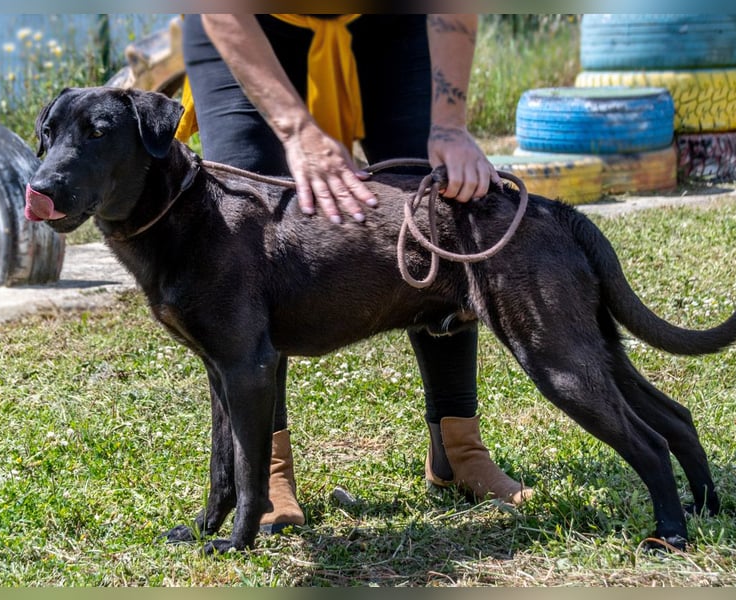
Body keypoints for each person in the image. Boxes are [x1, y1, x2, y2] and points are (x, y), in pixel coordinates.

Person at [180, 13, 531, 533]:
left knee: (439, 210)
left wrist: (451, 127)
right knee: (246, 240)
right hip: (248, 24)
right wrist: (297, 131)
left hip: (386, 22)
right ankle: (268, 473)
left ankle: (457, 448)